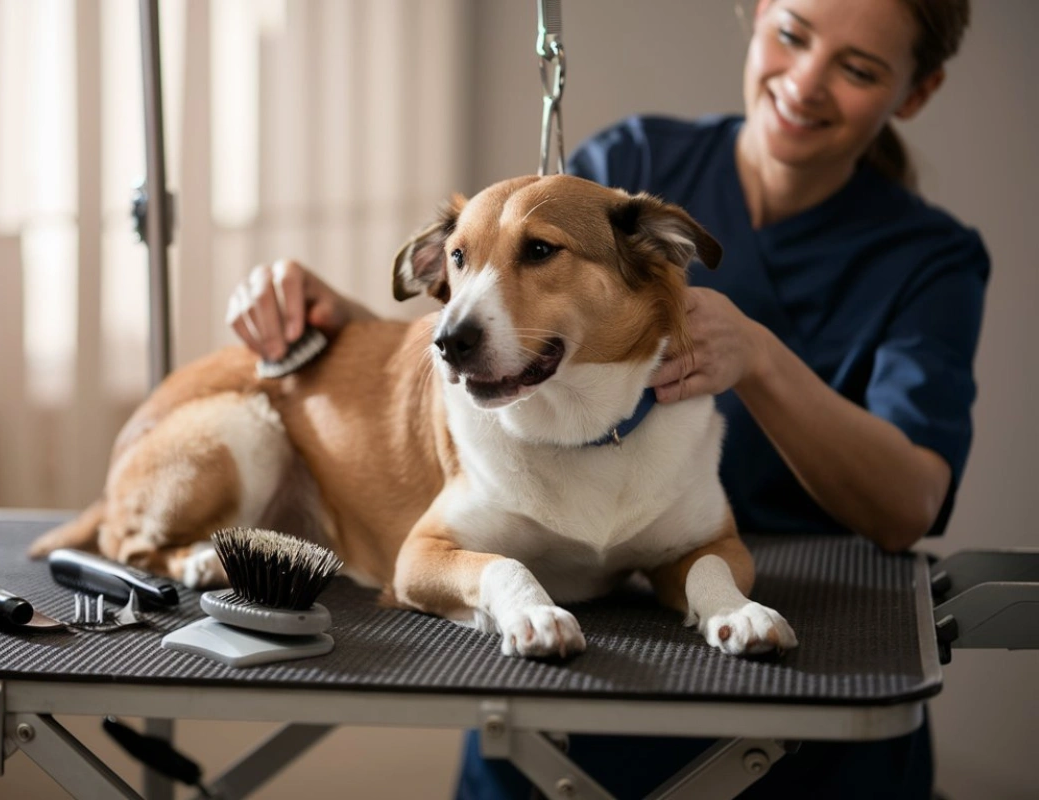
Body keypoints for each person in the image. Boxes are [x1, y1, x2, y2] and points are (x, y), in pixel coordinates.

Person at [226, 0, 987, 796]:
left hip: (805, 677)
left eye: (858, 68)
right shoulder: (635, 155)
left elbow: (910, 503)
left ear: (916, 91)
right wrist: (344, 325)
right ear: (755, 15)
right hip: (560, 688)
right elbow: (508, 306)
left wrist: (760, 357)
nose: (805, 81)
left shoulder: (929, 259)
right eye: (792, 34)